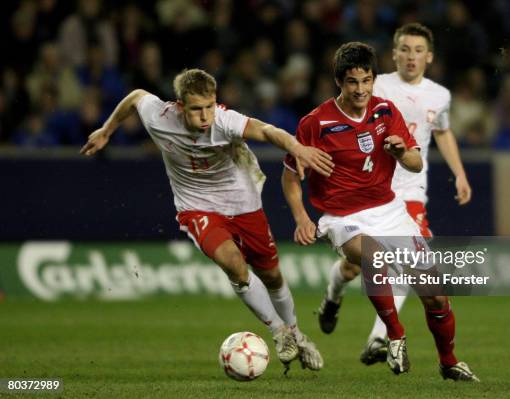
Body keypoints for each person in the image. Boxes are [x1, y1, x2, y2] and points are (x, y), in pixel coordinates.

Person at [80, 68, 334, 371]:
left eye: (209, 107)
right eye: (196, 109)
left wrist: (296, 146)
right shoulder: (159, 116)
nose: (205, 116)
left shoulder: (225, 121)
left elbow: (267, 131)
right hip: (197, 206)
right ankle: (279, 333)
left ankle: (296, 334)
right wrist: (106, 130)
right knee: (234, 265)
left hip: (243, 201)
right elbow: (135, 97)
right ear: (179, 106)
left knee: (272, 276)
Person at [283, 40, 478, 380]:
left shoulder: (386, 111)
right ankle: (395, 335)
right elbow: (289, 178)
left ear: (373, 79)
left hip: (390, 210)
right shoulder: (315, 123)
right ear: (339, 82)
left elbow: (416, 164)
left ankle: (449, 363)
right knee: (374, 258)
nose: (360, 89)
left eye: (366, 80)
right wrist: (301, 217)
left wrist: (403, 151)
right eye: (352, 82)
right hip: (342, 217)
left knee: (436, 298)